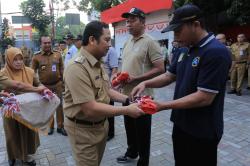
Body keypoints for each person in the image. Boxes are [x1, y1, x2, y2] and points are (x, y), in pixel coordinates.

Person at [131, 4, 231, 166]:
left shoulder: (215, 52)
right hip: (181, 124)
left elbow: (204, 97)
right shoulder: (184, 49)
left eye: (178, 31)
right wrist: (145, 82)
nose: (175, 37)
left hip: (202, 130)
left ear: (196, 25)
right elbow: (169, 76)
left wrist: (162, 105)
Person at [63, 21, 144, 166]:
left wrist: (128, 99)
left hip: (100, 127)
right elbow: (90, 108)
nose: (109, 45)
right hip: (83, 131)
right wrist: (126, 110)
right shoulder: (77, 68)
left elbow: (107, 91)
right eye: (106, 40)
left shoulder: (97, 63)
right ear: (92, 40)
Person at [116, 7, 164, 166]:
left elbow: (160, 69)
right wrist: (119, 78)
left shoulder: (150, 42)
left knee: (142, 132)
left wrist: (136, 78)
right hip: (127, 94)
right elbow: (126, 65)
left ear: (143, 22)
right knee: (129, 128)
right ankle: (132, 152)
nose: (128, 24)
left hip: (143, 97)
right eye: (127, 21)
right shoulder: (128, 41)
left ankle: (143, 161)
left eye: (132, 20)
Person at [1, 47, 45, 166]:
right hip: (11, 112)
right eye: (15, 59)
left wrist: (43, 88)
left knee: (28, 133)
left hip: (28, 110)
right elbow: (18, 86)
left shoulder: (30, 71)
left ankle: (27, 157)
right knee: (12, 134)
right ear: (9, 60)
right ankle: (13, 156)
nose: (19, 62)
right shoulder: (3, 73)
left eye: (20, 59)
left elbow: (38, 83)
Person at [32, 36, 67, 136]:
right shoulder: (36, 57)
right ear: (41, 44)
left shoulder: (57, 54)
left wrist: (63, 82)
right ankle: (50, 127)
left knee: (59, 105)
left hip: (57, 84)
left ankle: (61, 126)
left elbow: (62, 69)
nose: (47, 44)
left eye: (49, 42)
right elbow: (32, 73)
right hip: (45, 87)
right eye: (45, 43)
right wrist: (37, 85)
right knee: (48, 106)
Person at [103, 46, 119, 141]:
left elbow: (115, 68)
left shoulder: (111, 50)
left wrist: (110, 83)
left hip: (108, 85)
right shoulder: (100, 49)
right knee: (103, 109)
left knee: (109, 109)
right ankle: (105, 130)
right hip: (100, 86)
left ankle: (110, 132)